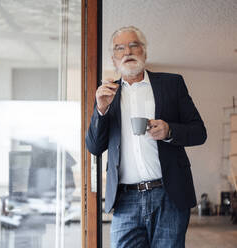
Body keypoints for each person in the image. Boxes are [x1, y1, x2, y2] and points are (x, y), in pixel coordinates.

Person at [86, 26, 207, 248]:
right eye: (120, 48)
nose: (127, 51)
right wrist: (101, 111)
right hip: (125, 200)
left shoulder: (172, 84)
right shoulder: (105, 93)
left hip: (169, 195)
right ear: (114, 59)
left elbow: (199, 132)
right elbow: (94, 146)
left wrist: (170, 131)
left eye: (134, 45)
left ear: (144, 51)